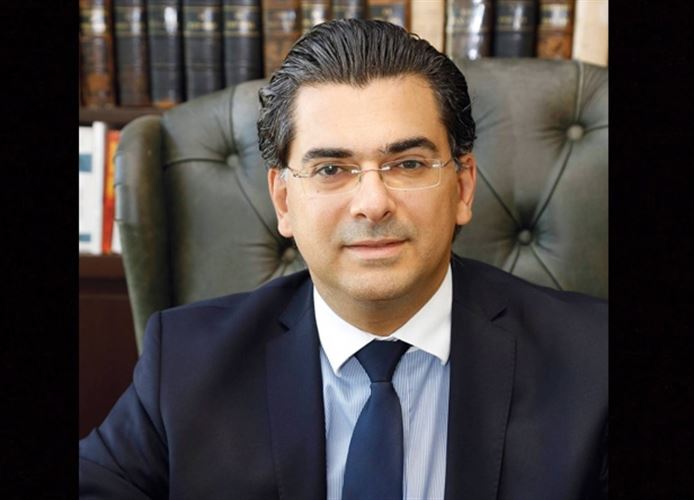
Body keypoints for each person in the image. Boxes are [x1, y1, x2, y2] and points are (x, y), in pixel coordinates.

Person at [79, 19, 607, 500]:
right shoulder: (186, 364)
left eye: (408, 163)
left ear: (463, 187)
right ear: (284, 201)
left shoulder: (595, 362)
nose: (373, 203)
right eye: (331, 170)